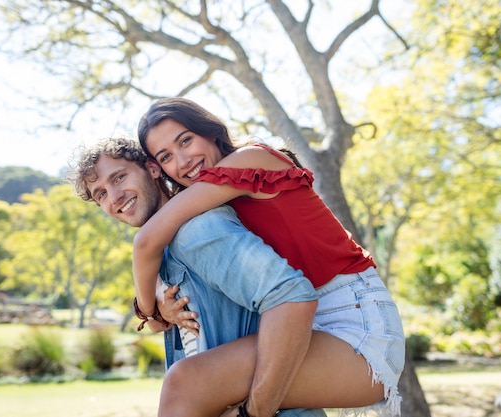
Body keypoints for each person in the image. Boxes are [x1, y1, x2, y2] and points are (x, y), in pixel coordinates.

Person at [134, 97, 405, 417]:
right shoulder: (210, 202)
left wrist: (147, 311)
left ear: (209, 131)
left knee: (188, 383)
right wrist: (158, 301)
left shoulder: (253, 159)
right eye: (166, 156)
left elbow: (145, 242)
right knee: (191, 386)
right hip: (300, 327)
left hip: (358, 326)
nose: (183, 160)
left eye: (186, 140)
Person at [67, 137, 327, 417]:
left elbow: (290, 293)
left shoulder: (198, 229)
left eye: (119, 178)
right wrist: (154, 309)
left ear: (152, 169)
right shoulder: (166, 252)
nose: (114, 197)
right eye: (101, 194)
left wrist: (252, 413)